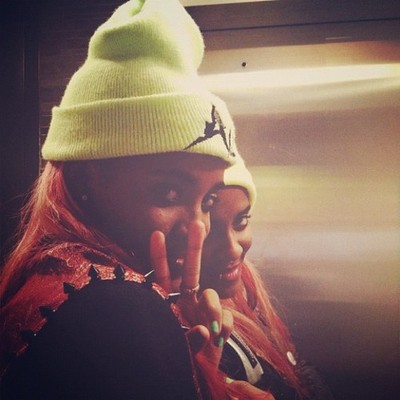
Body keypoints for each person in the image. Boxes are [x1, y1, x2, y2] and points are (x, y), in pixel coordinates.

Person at [0, 0, 243, 399]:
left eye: (209, 200)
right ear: (86, 178)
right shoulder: (116, 308)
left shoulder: (59, 274)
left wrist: (193, 365)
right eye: (169, 192)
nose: (197, 228)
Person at [199, 160, 335, 400]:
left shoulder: (248, 288)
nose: (233, 249)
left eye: (241, 222)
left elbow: (297, 369)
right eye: (210, 230)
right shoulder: (190, 329)